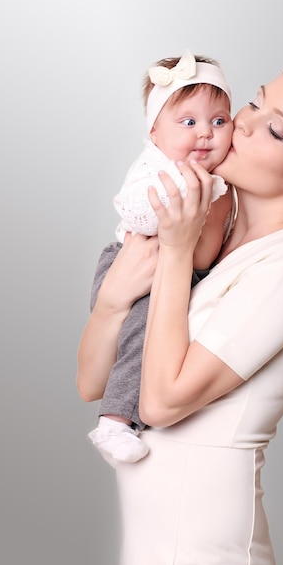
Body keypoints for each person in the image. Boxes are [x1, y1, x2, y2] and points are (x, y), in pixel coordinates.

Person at [76, 62, 283, 565]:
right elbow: (91, 384)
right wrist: (110, 300)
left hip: (204, 560)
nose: (243, 122)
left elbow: (160, 403)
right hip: (156, 546)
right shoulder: (213, 231)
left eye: (276, 129)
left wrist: (175, 251)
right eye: (257, 101)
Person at [86, 50, 234, 463]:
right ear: (154, 133)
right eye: (188, 122)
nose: (205, 134)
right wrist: (180, 201)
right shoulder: (156, 168)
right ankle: (114, 420)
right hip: (130, 266)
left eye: (218, 121)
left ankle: (132, 418)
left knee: (159, 341)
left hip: (170, 270)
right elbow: (131, 206)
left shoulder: (219, 179)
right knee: (141, 338)